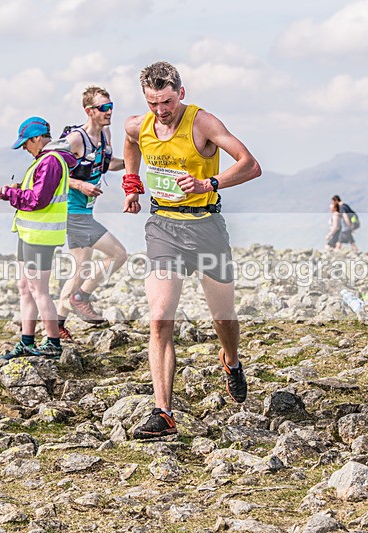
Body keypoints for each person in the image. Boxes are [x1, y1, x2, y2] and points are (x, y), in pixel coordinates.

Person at [122, 61, 261, 439]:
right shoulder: (139, 124)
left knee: (223, 317)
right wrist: (131, 183)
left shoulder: (203, 123)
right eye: (153, 103)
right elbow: (131, 140)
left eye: (166, 102)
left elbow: (250, 165)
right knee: (160, 317)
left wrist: (208, 183)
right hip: (163, 227)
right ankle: (163, 412)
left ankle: (231, 361)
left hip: (206, 228)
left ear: (180, 94)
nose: (160, 111)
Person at [0, 117, 76, 360]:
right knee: (25, 287)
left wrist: (9, 193)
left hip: (41, 235)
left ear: (37, 138)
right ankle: (26, 341)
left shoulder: (50, 161)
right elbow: (37, 191)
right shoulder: (45, 160)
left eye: (26, 144)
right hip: (30, 232)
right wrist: (17, 188)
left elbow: (38, 199)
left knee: (39, 290)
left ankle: (52, 342)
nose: (25, 149)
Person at [54, 86, 127, 340]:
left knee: (79, 272)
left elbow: (108, 164)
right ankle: (81, 297)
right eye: (103, 108)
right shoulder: (76, 139)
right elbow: (52, 171)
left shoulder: (105, 135)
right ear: (89, 111)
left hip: (84, 213)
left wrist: (131, 162)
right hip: (72, 212)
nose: (109, 112)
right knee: (118, 254)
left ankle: (56, 326)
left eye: (111, 106)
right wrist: (80, 185)